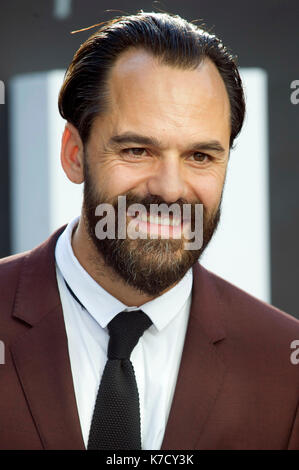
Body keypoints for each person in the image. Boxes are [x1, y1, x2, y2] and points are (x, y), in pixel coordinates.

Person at [0, 11, 298, 451]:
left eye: (200, 156)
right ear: (74, 153)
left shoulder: (284, 365)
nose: (171, 190)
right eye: (138, 150)